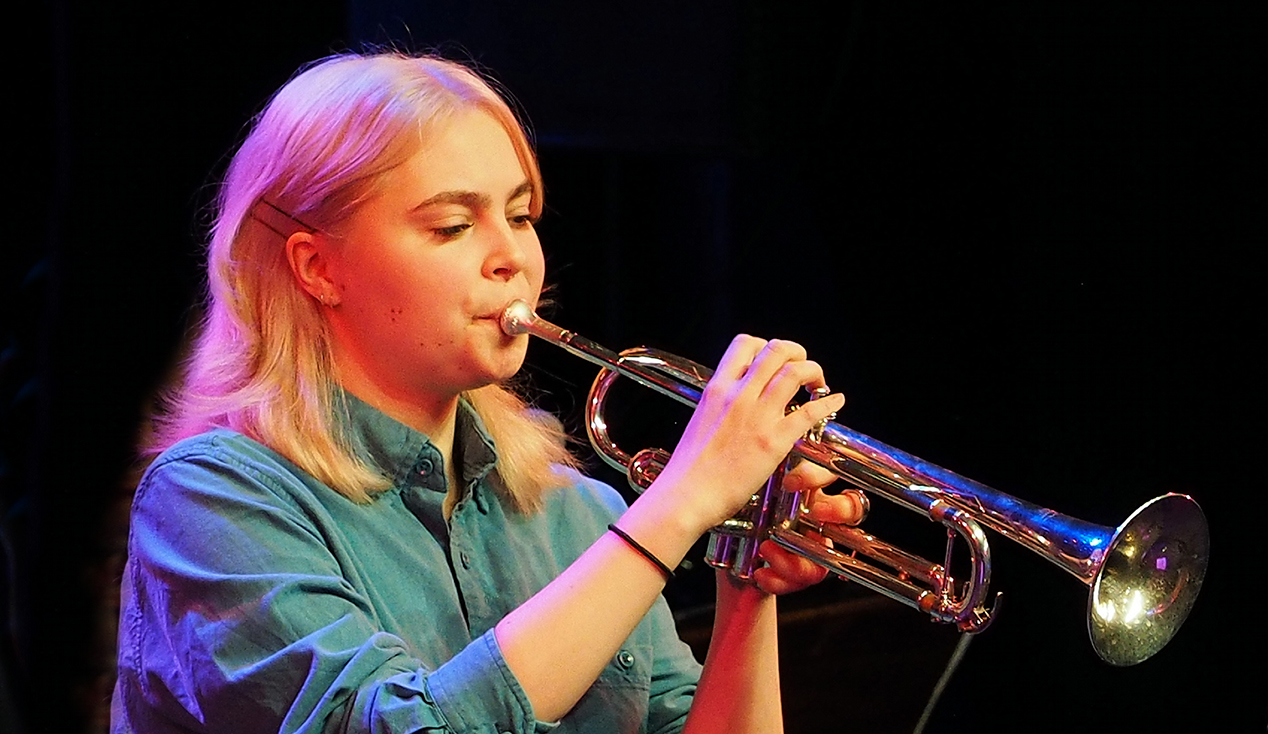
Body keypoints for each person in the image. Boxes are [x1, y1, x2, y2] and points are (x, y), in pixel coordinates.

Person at [110, 51, 862, 734]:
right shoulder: (212, 500)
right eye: (451, 225)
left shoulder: (576, 514)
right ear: (317, 268)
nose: (511, 258)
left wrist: (746, 583)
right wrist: (679, 508)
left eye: (520, 215)